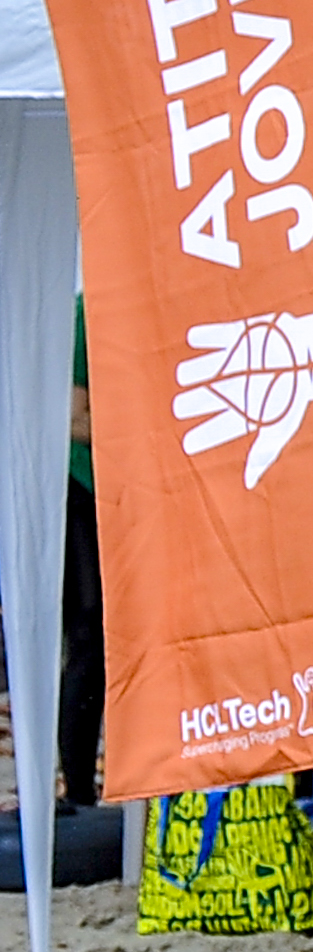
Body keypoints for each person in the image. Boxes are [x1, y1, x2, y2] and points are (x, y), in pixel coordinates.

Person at [61, 297, 101, 813]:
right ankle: (78, 793)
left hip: (140, 492)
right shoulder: (87, 313)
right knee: (92, 636)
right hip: (83, 486)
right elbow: (73, 418)